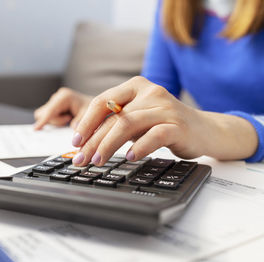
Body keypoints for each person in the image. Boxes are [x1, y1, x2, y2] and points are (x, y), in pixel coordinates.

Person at [33, 0, 264, 167]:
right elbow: (155, 95)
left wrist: (210, 128)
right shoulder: (172, 7)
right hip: (220, 167)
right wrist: (103, 107)